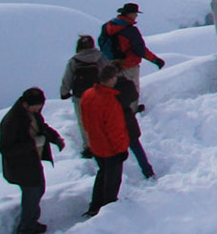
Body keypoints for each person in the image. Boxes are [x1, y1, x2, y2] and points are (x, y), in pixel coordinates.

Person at [0, 89, 64, 234]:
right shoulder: (12, 121)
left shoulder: (31, 113)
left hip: (32, 163)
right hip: (21, 167)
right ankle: (25, 231)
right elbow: (6, 149)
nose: (38, 109)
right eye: (36, 106)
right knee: (31, 196)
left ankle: (31, 223)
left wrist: (55, 138)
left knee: (38, 191)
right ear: (25, 104)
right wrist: (33, 143)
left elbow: (42, 127)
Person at [82, 64, 129, 217]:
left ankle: (95, 205)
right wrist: (121, 149)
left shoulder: (88, 94)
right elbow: (115, 129)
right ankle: (108, 211)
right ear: (111, 79)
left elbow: (85, 120)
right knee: (112, 180)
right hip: (111, 148)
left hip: (96, 144)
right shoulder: (109, 101)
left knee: (102, 174)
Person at [59, 34, 104, 158]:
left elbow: (67, 78)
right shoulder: (100, 57)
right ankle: (102, 142)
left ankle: (89, 147)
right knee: (99, 119)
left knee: (84, 122)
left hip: (80, 96)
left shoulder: (74, 61)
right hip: (98, 94)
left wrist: (64, 92)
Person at [98, 4, 163, 88]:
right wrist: (155, 60)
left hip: (111, 65)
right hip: (128, 65)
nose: (136, 15)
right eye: (135, 13)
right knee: (131, 91)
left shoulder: (106, 27)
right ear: (129, 14)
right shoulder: (131, 31)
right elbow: (140, 50)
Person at [113, 72, 154, 181]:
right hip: (128, 118)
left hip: (114, 121)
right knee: (136, 146)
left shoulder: (108, 89)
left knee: (115, 151)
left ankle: (116, 176)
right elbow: (134, 96)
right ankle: (148, 171)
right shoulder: (127, 84)